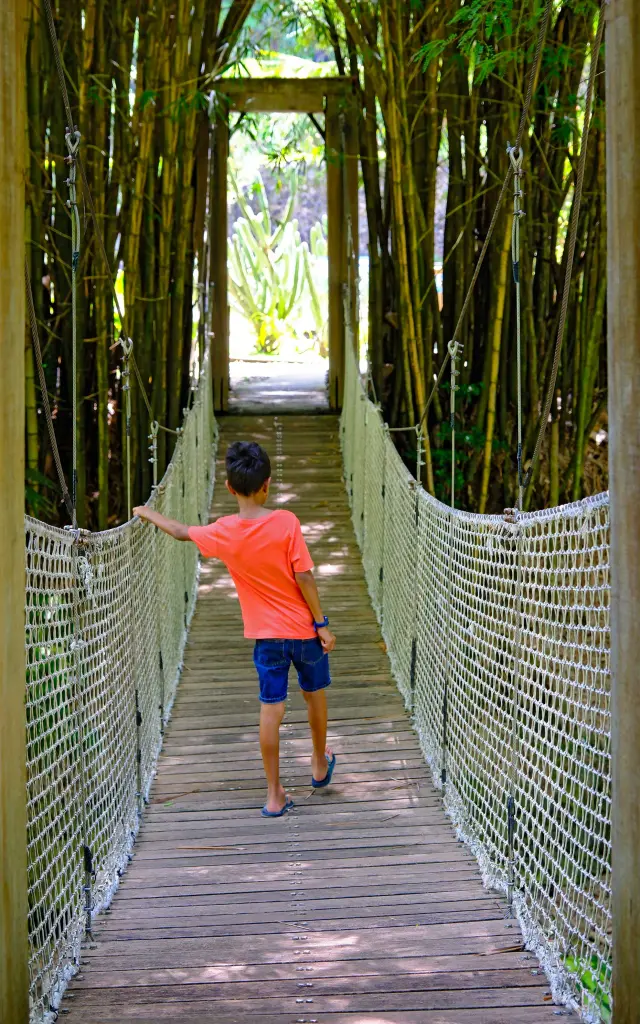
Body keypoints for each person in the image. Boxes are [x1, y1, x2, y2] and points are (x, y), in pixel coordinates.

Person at [133, 440, 337, 817]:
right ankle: (319, 763)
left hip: (267, 640)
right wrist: (321, 624)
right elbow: (304, 576)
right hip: (305, 634)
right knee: (314, 694)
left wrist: (146, 512)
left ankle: (274, 794)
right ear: (267, 484)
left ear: (229, 487)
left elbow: (180, 532)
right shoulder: (286, 522)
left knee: (270, 711)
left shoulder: (223, 531)